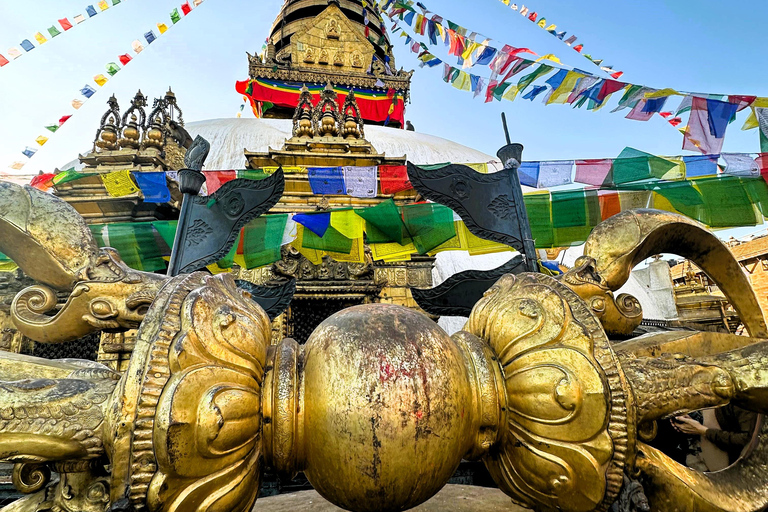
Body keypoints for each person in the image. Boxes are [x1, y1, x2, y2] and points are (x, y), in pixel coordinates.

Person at [674, 404, 758, 465]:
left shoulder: (742, 402)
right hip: (690, 458)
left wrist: (704, 431)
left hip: (719, 467)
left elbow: (746, 440)